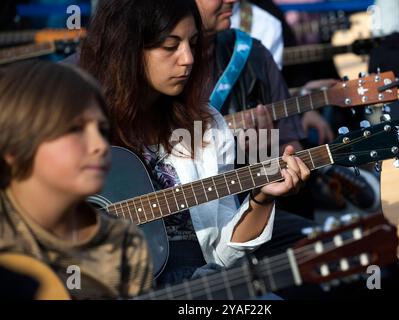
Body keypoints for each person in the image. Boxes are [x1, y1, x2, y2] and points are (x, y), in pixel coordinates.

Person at [79, 0, 309, 287]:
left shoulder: (207, 125)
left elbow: (222, 257)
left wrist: (261, 199)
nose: (188, 58)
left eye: (193, 43)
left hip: (196, 285)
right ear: (128, 47)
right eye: (170, 46)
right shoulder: (75, 121)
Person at [0, 61, 153, 299]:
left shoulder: (125, 244)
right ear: (15, 145)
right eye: (75, 129)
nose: (100, 146)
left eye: (102, 129)